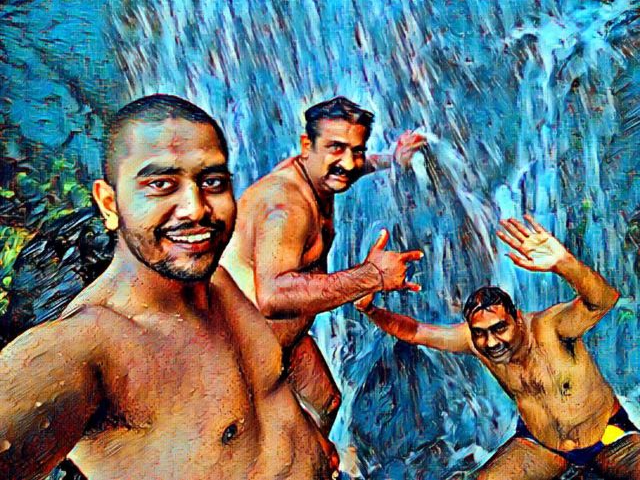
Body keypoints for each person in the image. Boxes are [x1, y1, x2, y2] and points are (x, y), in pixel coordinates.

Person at [0, 94, 335, 479]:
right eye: (160, 184)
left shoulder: (216, 281)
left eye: (212, 182)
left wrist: (312, 440)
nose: (196, 208)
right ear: (109, 204)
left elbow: (268, 394)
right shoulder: (86, 349)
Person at [355, 214, 640, 479]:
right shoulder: (473, 342)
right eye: (480, 333)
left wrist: (564, 263)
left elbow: (604, 300)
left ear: (517, 318)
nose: (491, 342)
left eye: (499, 328)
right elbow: (414, 331)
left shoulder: (550, 327)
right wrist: (370, 309)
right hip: (541, 446)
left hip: (609, 437)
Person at [219, 96, 425, 435]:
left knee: (326, 404)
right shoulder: (286, 206)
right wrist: (372, 275)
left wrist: (392, 159)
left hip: (284, 342)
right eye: (336, 148)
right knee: (263, 441)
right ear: (307, 146)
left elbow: (349, 168)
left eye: (357, 150)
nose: (348, 162)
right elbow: (273, 295)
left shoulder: (319, 175)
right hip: (240, 352)